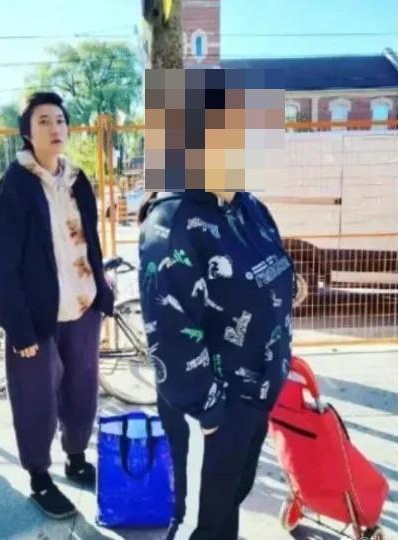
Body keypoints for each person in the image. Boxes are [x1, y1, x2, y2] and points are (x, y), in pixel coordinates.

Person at [138, 68, 296, 540]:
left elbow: (266, 267)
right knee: (206, 523)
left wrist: (290, 285)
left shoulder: (250, 207)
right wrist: (208, 413)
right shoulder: (172, 221)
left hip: (258, 390)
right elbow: (169, 329)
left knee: (232, 500)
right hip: (213, 405)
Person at [0, 92, 113, 519]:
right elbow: (3, 266)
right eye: (43, 121)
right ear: (27, 132)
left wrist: (101, 290)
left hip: (82, 306)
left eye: (60, 120)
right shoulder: (12, 188)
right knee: (36, 399)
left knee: (82, 390)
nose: (55, 127)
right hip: (36, 318)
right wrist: (17, 326)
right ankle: (39, 476)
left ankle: (76, 459)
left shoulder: (77, 179)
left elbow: (91, 240)